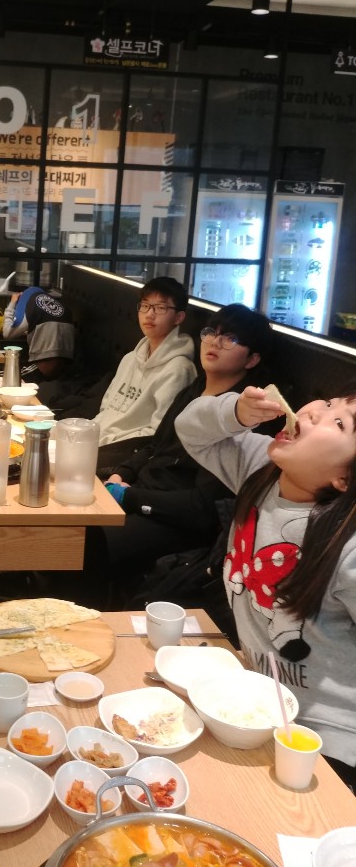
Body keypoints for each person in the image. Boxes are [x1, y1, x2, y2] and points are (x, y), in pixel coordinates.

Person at [175, 381, 356, 788]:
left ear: (345, 478)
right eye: (327, 401)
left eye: (340, 423)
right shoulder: (262, 469)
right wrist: (236, 413)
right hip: (253, 705)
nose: (314, 410)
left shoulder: (348, 545)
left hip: (322, 739)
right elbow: (189, 428)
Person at [89, 304, 273, 606]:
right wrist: (123, 472)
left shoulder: (244, 419)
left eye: (230, 338)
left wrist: (129, 497)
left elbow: (202, 509)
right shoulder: (194, 388)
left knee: (87, 541)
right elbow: (155, 445)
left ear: (252, 359)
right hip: (141, 491)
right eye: (211, 332)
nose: (215, 342)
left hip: (175, 522)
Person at [93, 277, 196, 473]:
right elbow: (106, 407)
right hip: (97, 441)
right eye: (145, 306)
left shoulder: (178, 369)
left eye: (160, 308)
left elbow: (156, 434)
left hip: (124, 456)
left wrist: (105, 444)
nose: (149, 314)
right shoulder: (131, 358)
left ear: (179, 317)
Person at [20, 289, 76, 383]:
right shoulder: (65, 311)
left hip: (42, 368)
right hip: (61, 370)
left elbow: (8, 333)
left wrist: (12, 305)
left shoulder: (32, 307)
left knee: (4, 376)